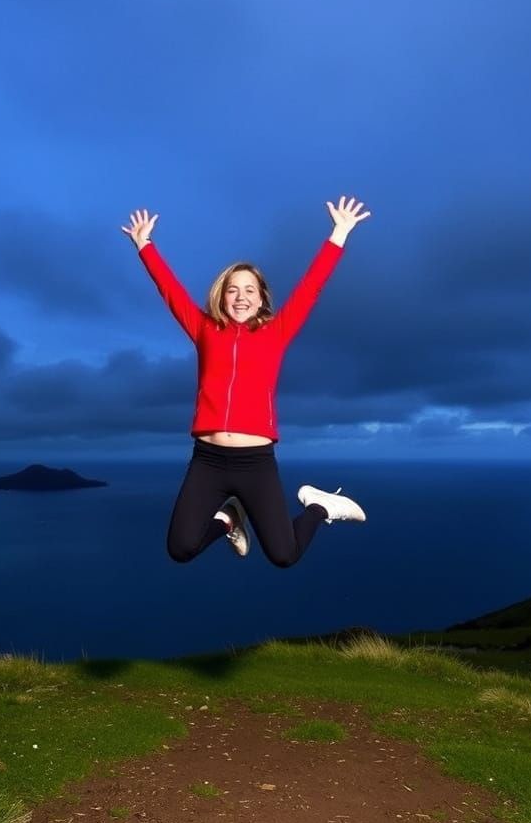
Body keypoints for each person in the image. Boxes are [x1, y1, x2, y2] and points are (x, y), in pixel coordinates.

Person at [121, 196, 371, 568]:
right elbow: (170, 292)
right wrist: (145, 246)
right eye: (233, 290)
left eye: (249, 290)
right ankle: (227, 520)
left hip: (256, 462)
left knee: (284, 555)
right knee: (180, 548)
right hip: (207, 460)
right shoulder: (205, 330)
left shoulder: (277, 332)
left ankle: (321, 507)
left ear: (261, 299)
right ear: (221, 296)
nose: (240, 297)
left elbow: (311, 286)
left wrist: (339, 233)